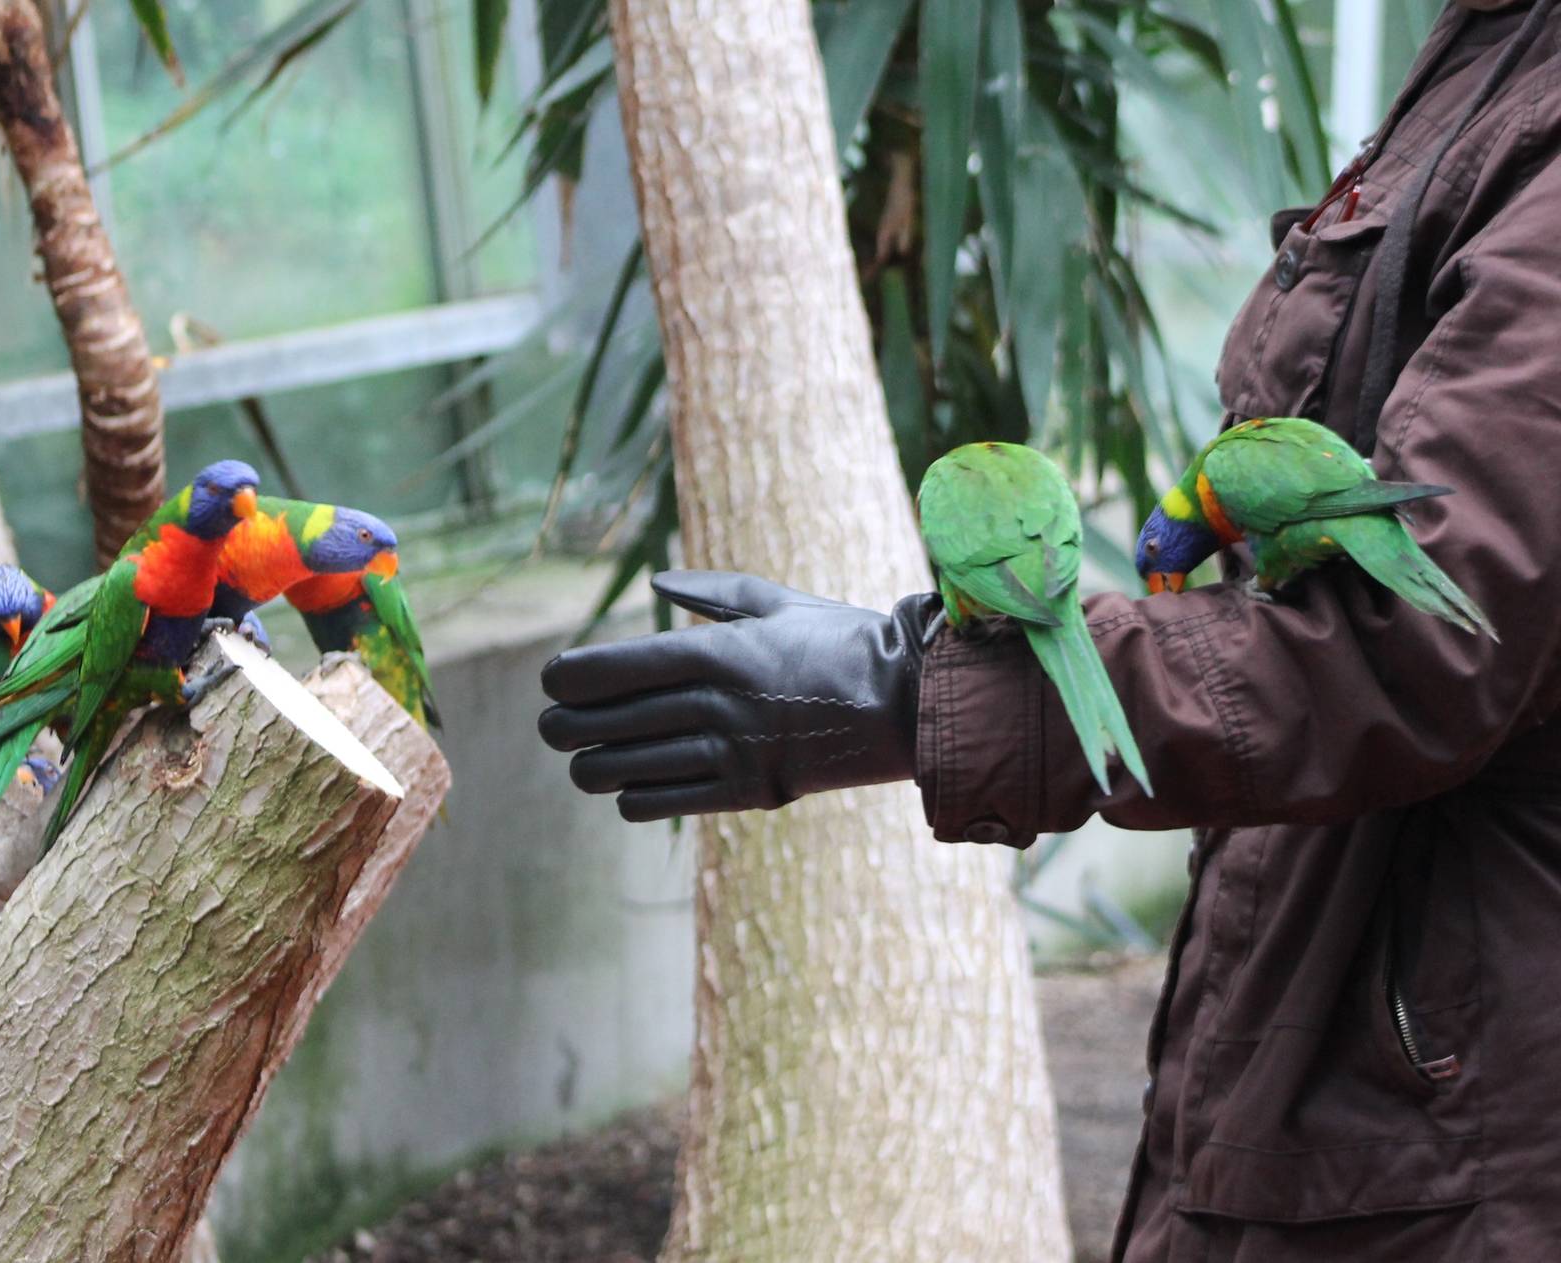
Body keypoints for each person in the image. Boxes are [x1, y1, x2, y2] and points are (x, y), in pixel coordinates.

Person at [538, 2, 1561, 1259]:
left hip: (1456, 1103)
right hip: (1328, 1034)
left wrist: (912, 689)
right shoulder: (1489, 47)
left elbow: (1424, 639)